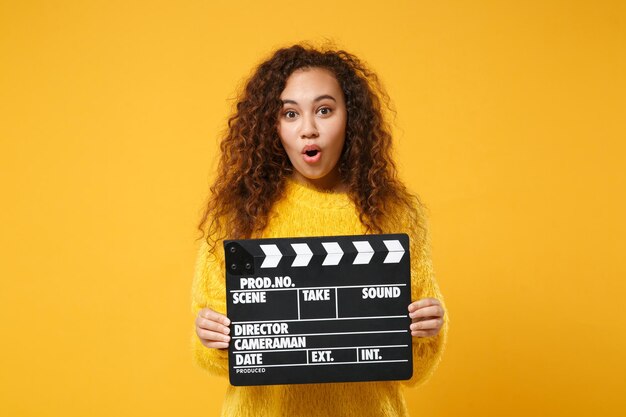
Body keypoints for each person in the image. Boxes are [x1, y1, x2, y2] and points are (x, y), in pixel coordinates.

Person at [191, 42, 448, 417]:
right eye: (290, 114)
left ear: (351, 118)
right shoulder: (237, 216)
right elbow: (215, 359)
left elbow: (416, 369)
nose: (308, 130)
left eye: (324, 110)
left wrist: (429, 326)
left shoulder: (396, 214)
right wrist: (211, 336)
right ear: (271, 125)